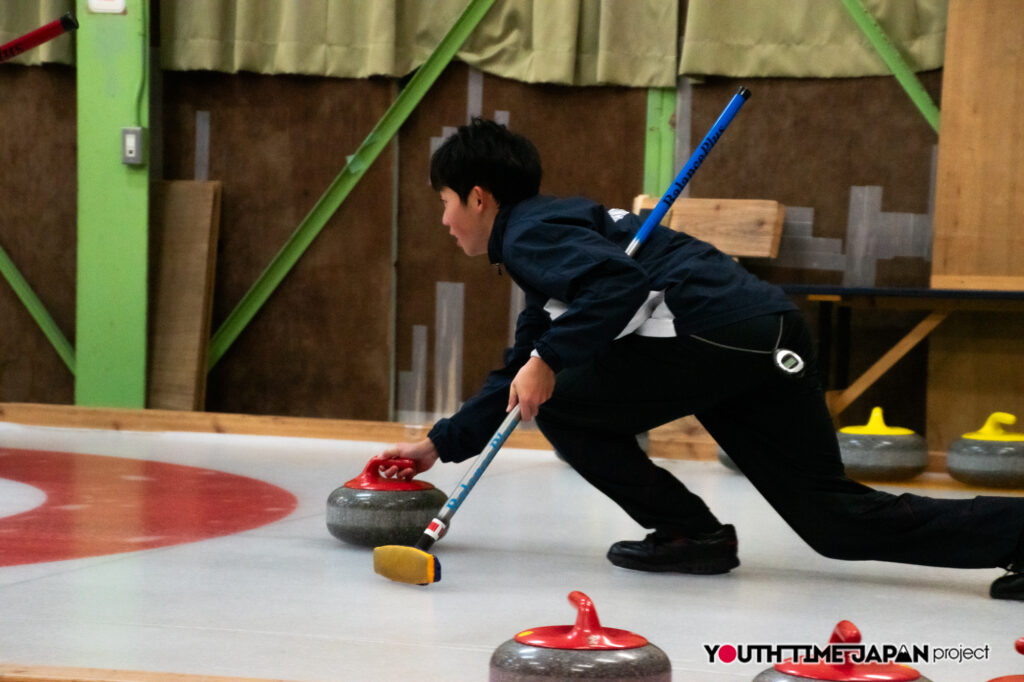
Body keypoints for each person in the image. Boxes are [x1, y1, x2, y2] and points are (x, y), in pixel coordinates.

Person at [379, 117, 1024, 600]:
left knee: (565, 405)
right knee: (835, 523)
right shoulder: (555, 234)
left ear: (479, 197)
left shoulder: (527, 234)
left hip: (720, 333)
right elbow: (521, 361)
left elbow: (615, 287)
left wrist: (549, 361)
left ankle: (690, 532)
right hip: (762, 335)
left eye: (445, 203)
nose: (445, 221)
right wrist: (440, 443)